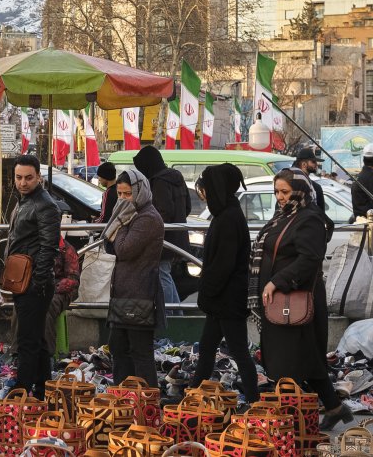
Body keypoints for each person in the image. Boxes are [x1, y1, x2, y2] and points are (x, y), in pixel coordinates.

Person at [252, 171, 352, 431]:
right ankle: (334, 407)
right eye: (277, 192)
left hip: (295, 298)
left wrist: (277, 281)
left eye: (285, 192)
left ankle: (288, 423)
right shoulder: (284, 217)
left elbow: (309, 258)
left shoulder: (310, 219)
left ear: (300, 191)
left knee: (290, 361)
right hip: (282, 300)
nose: (281, 197)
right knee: (305, 358)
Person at [189, 165, 259, 403]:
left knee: (239, 352)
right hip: (223, 300)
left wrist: (207, 291)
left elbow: (223, 264)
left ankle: (254, 401)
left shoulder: (228, 218)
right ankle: (193, 392)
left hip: (227, 300)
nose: (204, 195)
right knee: (207, 347)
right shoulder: (227, 214)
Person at [105, 168, 165, 385]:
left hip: (140, 294)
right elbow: (109, 247)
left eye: (127, 194)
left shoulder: (147, 218)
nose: (122, 200)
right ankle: (124, 397)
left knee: (139, 352)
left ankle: (146, 402)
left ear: (139, 191)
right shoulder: (131, 215)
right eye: (119, 194)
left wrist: (120, 223)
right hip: (124, 294)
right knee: (119, 348)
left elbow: (123, 249)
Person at [8, 154, 60, 398]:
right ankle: (42, 390)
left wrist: (38, 282)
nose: (23, 182)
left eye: (28, 177)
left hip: (34, 282)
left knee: (27, 340)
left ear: (39, 177)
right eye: (19, 177)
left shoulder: (44, 204)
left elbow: (49, 247)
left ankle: (23, 391)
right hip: (25, 280)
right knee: (35, 339)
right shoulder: (26, 200)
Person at [132, 146, 189, 308]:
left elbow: (163, 212)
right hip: (178, 235)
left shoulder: (158, 182)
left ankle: (170, 314)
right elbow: (187, 207)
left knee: (162, 275)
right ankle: (177, 312)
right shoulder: (176, 177)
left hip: (163, 237)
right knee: (165, 274)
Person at [44, 236, 81, 361]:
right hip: (43, 286)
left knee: (48, 306)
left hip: (63, 289)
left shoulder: (67, 249)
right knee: (21, 304)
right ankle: (17, 352)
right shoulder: (38, 245)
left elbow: (73, 279)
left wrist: (53, 288)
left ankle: (47, 354)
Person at [293, 147, 327, 212]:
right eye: (313, 162)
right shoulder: (288, 184)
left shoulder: (316, 187)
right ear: (304, 164)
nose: (316, 164)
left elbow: (321, 214)